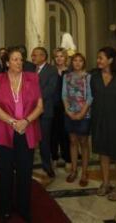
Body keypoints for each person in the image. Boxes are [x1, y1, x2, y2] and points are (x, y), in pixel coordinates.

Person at [0, 46, 43, 222]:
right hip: (5, 130)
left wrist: (26, 121)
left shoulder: (33, 78)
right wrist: (14, 122)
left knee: (24, 172)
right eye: (15, 59)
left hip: (27, 130)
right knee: (5, 172)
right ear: (7, 63)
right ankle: (4, 208)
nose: (19, 62)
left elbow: (40, 107)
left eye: (21, 59)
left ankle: (24, 207)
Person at [91, 46, 116, 201]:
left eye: (101, 57)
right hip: (99, 120)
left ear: (110, 60)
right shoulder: (94, 76)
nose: (98, 60)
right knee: (103, 153)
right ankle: (106, 183)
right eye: (98, 57)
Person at [62, 53, 92, 187]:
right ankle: (74, 170)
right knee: (73, 141)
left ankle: (85, 172)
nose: (78, 63)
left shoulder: (88, 77)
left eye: (80, 61)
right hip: (69, 113)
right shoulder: (67, 76)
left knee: (84, 142)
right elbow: (64, 95)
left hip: (84, 114)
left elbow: (90, 97)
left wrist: (82, 113)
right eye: (75, 60)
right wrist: (68, 111)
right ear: (71, 62)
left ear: (84, 63)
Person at [31, 46, 58, 178]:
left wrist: (34, 99)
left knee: (44, 140)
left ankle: (47, 166)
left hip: (45, 111)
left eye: (35, 55)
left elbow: (50, 89)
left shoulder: (52, 70)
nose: (33, 57)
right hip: (29, 111)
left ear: (43, 56)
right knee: (30, 139)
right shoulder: (30, 69)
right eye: (32, 55)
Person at [51, 48, 71, 168]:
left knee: (65, 133)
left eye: (61, 56)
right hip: (53, 106)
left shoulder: (69, 72)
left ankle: (67, 158)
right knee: (53, 134)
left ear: (65, 58)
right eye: (57, 56)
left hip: (66, 107)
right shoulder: (51, 71)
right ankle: (54, 157)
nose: (59, 58)